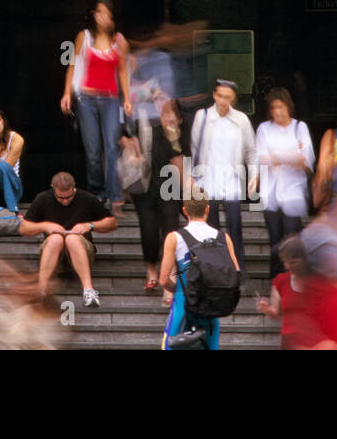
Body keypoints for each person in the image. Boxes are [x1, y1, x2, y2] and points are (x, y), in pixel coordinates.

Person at [61, 0, 133, 210]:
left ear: (112, 17)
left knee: (111, 148)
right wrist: (67, 93)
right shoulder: (84, 37)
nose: (101, 17)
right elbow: (72, 65)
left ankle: (114, 193)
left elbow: (122, 72)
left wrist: (127, 99)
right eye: (98, 12)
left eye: (105, 13)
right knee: (93, 150)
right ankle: (97, 192)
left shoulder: (120, 41)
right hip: (87, 100)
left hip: (110, 99)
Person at [189, 79, 256, 277]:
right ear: (214, 95)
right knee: (211, 229)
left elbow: (251, 151)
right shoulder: (203, 116)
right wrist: (193, 176)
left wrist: (254, 175)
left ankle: (237, 270)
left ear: (233, 98)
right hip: (207, 181)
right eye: (220, 96)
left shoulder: (241, 119)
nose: (224, 100)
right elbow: (195, 147)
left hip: (231, 181)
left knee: (235, 226)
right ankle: (213, 271)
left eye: (228, 97)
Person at [19, 171, 117, 306]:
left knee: (72, 238)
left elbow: (112, 223)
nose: (65, 201)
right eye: (60, 198)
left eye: (69, 197)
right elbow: (23, 228)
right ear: (53, 189)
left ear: (74, 188)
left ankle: (88, 290)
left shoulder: (86, 198)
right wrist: (44, 226)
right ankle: (41, 290)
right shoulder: (43, 198)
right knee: (55, 239)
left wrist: (90, 225)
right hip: (54, 252)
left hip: (81, 251)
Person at [159, 193, 240, 350]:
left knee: (169, 346)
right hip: (211, 308)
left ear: (184, 210)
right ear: (207, 209)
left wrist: (177, 290)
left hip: (183, 306)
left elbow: (163, 280)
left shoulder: (174, 237)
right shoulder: (223, 237)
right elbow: (236, 274)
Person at [254, 87, 315, 280]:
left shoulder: (300, 128)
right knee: (275, 239)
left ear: (289, 106)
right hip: (270, 191)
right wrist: (291, 156)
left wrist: (278, 156)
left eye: (281, 107)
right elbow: (262, 158)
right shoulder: (264, 129)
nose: (278, 112)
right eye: (274, 108)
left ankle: (294, 282)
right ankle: (276, 283)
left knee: (292, 238)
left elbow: (306, 161)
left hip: (293, 191)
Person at [133, 98, 186, 291]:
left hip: (171, 189)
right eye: (164, 115)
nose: (167, 119)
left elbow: (182, 164)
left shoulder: (184, 137)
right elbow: (131, 143)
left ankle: (168, 277)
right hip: (147, 189)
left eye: (171, 116)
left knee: (170, 232)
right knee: (149, 231)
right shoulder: (150, 132)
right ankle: (151, 272)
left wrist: (174, 140)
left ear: (180, 119)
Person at [256, 236, 318, 349]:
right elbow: (275, 312)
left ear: (305, 260)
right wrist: (266, 309)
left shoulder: (319, 281)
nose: (287, 266)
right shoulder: (281, 281)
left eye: (293, 262)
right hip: (290, 342)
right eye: (285, 262)